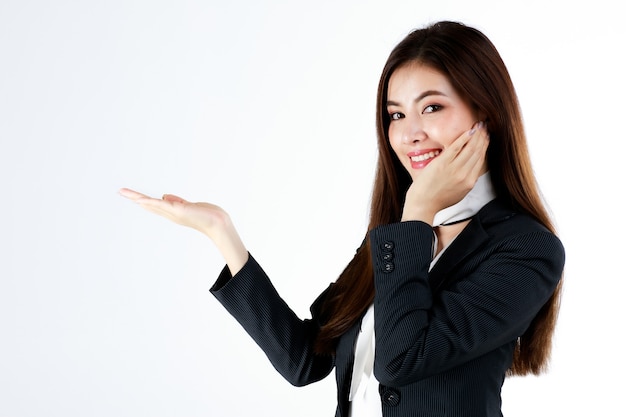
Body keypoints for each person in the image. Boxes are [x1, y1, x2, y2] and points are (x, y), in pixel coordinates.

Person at [120, 20, 565, 417]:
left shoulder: (526, 248)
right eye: (395, 114)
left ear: (485, 114)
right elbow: (304, 359)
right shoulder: (391, 238)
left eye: (431, 108)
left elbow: (401, 361)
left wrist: (416, 215)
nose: (410, 133)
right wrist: (221, 232)